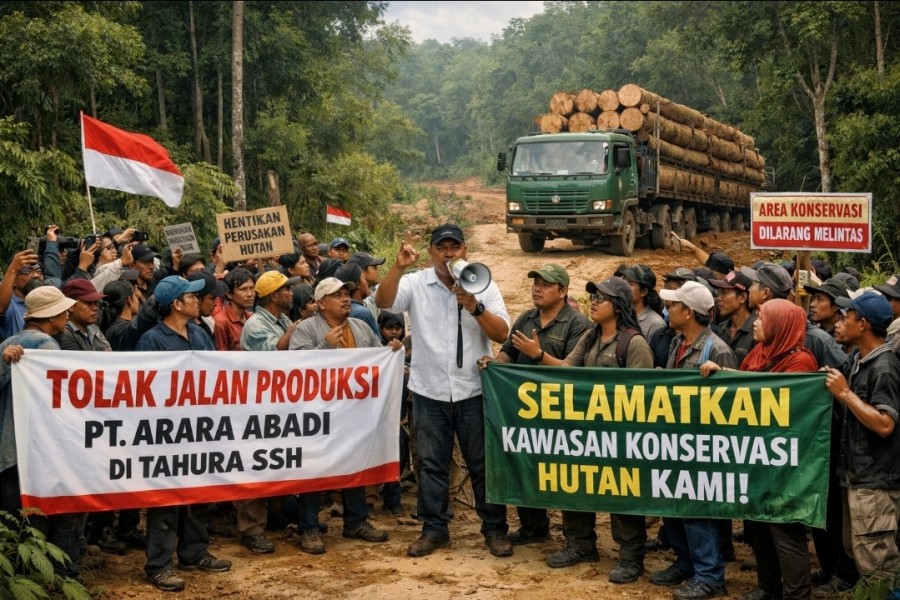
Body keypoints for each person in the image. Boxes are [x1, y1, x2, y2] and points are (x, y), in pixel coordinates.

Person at [375, 224, 513, 559]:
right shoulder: (416, 282)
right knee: (431, 465)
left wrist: (476, 308)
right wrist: (398, 266)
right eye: (441, 247)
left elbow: (502, 333)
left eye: (455, 247)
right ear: (431, 251)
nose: (448, 254)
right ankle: (434, 530)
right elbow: (383, 301)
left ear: (465, 251)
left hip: (473, 390)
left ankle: (494, 530)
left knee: (482, 464)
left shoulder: (483, 284)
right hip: (429, 390)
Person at [702, 299, 818, 600]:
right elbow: (746, 391)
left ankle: (797, 594)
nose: (754, 323)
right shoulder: (759, 352)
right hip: (756, 456)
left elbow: (771, 393)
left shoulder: (801, 362)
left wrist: (729, 375)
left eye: (762, 318)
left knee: (785, 532)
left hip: (786, 463)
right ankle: (768, 587)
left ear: (780, 326)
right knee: (759, 526)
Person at [545, 276, 653, 584]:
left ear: (618, 306)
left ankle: (631, 557)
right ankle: (580, 545)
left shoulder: (634, 344)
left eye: (600, 299)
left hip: (621, 436)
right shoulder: (590, 336)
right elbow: (567, 371)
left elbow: (643, 396)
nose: (593, 302)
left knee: (623, 494)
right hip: (585, 434)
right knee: (575, 485)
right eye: (591, 297)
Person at [480, 264, 590, 547]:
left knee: (567, 475)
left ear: (563, 291)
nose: (537, 288)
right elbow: (507, 352)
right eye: (535, 283)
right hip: (525, 412)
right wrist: (494, 364)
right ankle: (533, 526)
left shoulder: (578, 324)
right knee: (525, 466)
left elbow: (574, 372)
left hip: (561, 414)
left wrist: (538, 354)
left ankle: (577, 540)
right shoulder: (526, 318)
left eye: (545, 284)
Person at [136, 276, 232, 592]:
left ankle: (194, 552)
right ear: (177, 304)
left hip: (200, 428)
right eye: (191, 296)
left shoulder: (199, 333)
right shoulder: (152, 340)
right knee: (165, 499)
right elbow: (145, 389)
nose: (198, 299)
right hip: (167, 432)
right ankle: (159, 565)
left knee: (199, 494)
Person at [288, 277, 393, 554]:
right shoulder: (307, 329)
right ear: (321, 303)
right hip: (317, 414)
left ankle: (356, 522)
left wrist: (390, 353)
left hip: (353, 413)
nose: (346, 298)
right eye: (337, 295)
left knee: (353, 463)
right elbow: (294, 369)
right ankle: (309, 528)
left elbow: (377, 359)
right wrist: (324, 347)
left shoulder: (359, 326)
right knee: (313, 469)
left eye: (347, 293)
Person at [651, 280, 736, 600]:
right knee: (672, 506)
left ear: (689, 312)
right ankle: (685, 562)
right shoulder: (676, 343)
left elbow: (734, 406)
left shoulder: (719, 350)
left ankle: (710, 575)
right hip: (674, 442)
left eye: (673, 305)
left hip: (703, 446)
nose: (668, 309)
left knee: (697, 509)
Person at [1, 286, 83, 579]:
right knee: (58, 516)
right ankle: (62, 576)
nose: (67, 315)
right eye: (64, 311)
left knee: (17, 521)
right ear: (52, 316)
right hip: (42, 450)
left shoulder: (9, 342)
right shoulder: (47, 345)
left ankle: (23, 579)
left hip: (11, 450)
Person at [825, 291, 900, 586]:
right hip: (856, 478)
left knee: (879, 563)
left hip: (875, 483)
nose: (840, 323)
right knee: (859, 554)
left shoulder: (884, 368)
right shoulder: (857, 359)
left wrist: (845, 394)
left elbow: (885, 424)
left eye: (847, 317)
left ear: (863, 324)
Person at [233, 271, 301, 555]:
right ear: (274, 295)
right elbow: (271, 358)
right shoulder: (256, 325)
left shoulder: (283, 319)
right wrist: (294, 333)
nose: (292, 294)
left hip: (280, 404)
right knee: (256, 465)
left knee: (277, 462)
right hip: (257, 407)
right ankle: (251, 529)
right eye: (287, 290)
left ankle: (277, 516)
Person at [377, 310, 412, 517]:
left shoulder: (406, 348)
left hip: (400, 419)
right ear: (380, 328)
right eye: (388, 328)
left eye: (397, 328)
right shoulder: (374, 349)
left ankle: (393, 500)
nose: (393, 332)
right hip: (378, 418)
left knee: (399, 459)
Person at [708, 270, 758, 366]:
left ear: (742, 297)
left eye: (724, 293)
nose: (719, 298)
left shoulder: (757, 331)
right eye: (719, 292)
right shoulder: (719, 330)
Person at [1, 249, 40, 341]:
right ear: (14, 280)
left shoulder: (44, 304)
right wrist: (13, 269)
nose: (36, 275)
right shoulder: (11, 306)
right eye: (28, 271)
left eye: (39, 271)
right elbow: (1, 307)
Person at [620, 264, 666, 341]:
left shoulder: (655, 324)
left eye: (629, 284)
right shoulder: (620, 314)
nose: (623, 287)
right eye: (623, 282)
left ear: (643, 291)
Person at [213, 267, 255, 351]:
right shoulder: (221, 322)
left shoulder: (252, 318)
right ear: (229, 294)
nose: (250, 294)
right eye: (243, 289)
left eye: (252, 288)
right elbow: (221, 356)